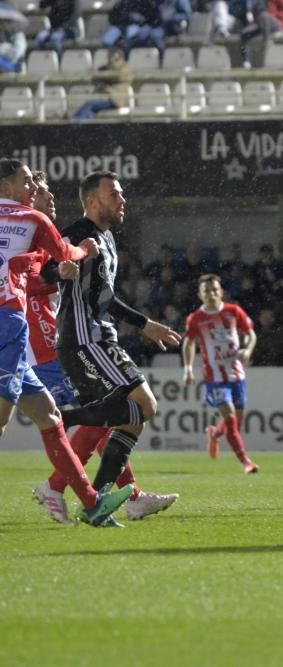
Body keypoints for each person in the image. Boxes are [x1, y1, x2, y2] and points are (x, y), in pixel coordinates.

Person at [28, 171, 178, 523]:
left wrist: (145, 324)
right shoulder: (78, 233)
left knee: (134, 416)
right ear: (92, 201)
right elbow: (45, 270)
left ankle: (101, 500)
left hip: (99, 335)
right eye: (115, 194)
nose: (122, 200)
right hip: (83, 339)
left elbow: (105, 298)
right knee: (140, 407)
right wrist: (60, 271)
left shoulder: (106, 238)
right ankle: (63, 423)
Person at [0, 159, 134, 527]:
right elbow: (64, 252)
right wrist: (83, 251)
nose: (33, 187)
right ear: (7, 186)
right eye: (27, 181)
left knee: (51, 417)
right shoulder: (32, 219)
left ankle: (92, 503)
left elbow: (29, 267)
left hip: (16, 333)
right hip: (9, 325)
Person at [182, 273, 259, 473]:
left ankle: (215, 434)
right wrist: (188, 368)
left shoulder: (233, 311)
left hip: (237, 376)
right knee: (231, 418)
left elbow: (250, 333)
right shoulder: (196, 319)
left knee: (235, 421)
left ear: (221, 291)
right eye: (206, 290)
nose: (211, 293)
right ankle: (245, 462)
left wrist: (248, 349)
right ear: (200, 295)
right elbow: (189, 342)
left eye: (215, 289)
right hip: (214, 379)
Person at [72, 48, 133, 121]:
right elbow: (93, 79)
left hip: (116, 99)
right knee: (90, 110)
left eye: (114, 58)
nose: (111, 60)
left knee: (90, 104)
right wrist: (101, 85)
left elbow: (118, 77)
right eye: (110, 57)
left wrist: (110, 68)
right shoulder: (104, 68)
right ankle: (79, 122)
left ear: (120, 58)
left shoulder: (125, 67)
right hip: (102, 97)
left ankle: (76, 122)